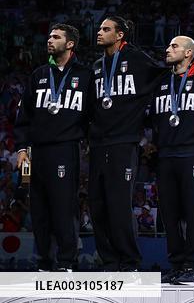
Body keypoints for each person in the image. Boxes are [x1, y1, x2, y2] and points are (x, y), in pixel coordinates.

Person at [89, 16, 174, 271]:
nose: (99, 32)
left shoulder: (136, 59)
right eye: (100, 28)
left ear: (120, 35)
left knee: (118, 204)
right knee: (98, 205)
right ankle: (109, 261)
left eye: (106, 29)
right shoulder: (96, 65)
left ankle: (129, 261)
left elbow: (165, 74)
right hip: (98, 144)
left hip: (124, 143)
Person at [14, 23, 92, 272]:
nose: (49, 40)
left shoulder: (85, 75)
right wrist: (22, 149)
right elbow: (24, 116)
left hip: (65, 149)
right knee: (39, 209)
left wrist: (89, 141)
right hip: (36, 152)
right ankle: (44, 262)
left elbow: (94, 115)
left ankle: (67, 262)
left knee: (63, 207)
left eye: (56, 37)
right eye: (49, 36)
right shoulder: (38, 75)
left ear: (70, 44)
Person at [151, 36, 194, 286]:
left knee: (193, 212)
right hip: (165, 154)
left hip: (192, 154)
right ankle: (176, 265)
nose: (168, 49)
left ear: (188, 53)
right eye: (168, 45)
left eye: (174, 46)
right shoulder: (161, 80)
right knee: (170, 214)